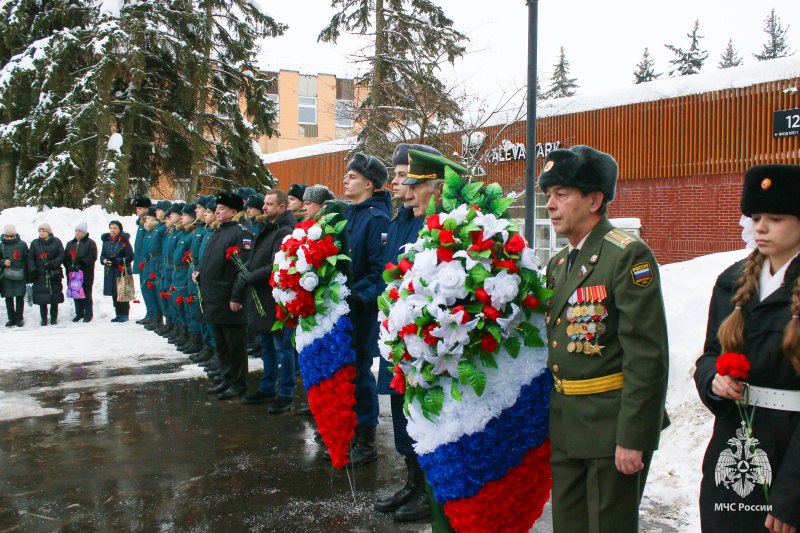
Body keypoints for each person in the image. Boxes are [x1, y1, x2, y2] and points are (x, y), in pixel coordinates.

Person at [538, 145, 669, 533]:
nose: (550, 205)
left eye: (562, 194)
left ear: (594, 200)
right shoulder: (558, 264)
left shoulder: (627, 255)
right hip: (566, 424)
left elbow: (647, 356)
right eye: (549, 195)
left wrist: (633, 438)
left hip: (610, 429)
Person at [694, 164, 800, 533]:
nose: (761, 228)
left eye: (776, 218)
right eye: (756, 218)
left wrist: (791, 496)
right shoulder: (732, 281)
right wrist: (714, 380)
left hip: (789, 456)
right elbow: (709, 355)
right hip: (733, 445)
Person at [374, 144, 442, 521]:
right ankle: (413, 481)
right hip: (397, 330)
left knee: (421, 412)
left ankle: (429, 491)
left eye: (407, 177)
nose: (400, 184)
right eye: (399, 176)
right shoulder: (400, 218)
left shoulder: (432, 219)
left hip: (420, 335)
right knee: (401, 409)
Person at [341, 152, 392, 467]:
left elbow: (379, 272)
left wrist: (355, 297)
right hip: (341, 309)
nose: (346, 180)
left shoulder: (376, 219)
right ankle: (349, 432)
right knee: (346, 373)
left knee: (360, 373)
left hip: (360, 310)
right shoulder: (350, 214)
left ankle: (367, 441)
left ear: (369, 183)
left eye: (353, 176)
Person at [235, 189, 298, 411]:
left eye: (269, 204)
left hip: (277, 297)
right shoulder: (267, 227)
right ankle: (268, 387)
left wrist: (251, 276)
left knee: (282, 347)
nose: (264, 207)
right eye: (264, 203)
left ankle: (286, 393)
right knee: (266, 345)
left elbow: (276, 264)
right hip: (262, 295)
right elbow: (257, 258)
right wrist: (246, 271)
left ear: (282, 207)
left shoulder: (284, 231)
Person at [195, 192, 253, 400]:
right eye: (216, 208)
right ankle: (227, 378)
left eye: (222, 209)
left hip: (229, 299)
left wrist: (236, 297)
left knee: (235, 345)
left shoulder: (241, 233)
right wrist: (199, 272)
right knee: (222, 344)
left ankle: (238, 384)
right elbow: (212, 260)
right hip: (215, 298)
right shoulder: (219, 231)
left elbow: (243, 268)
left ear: (234, 212)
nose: (217, 212)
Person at [28, 223, 66, 326]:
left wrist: (53, 263)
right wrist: (33, 270)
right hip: (40, 274)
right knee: (42, 298)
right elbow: (30, 257)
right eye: (40, 231)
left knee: (54, 296)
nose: (41, 233)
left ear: (48, 232)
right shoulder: (35, 243)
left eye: (43, 231)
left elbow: (62, 255)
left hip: (53, 273)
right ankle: (44, 319)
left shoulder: (56, 241)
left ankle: (54, 318)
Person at [100, 220, 134, 322]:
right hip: (110, 270)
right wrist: (104, 260)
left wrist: (118, 261)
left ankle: (124, 314)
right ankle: (118, 313)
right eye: (111, 228)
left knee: (122, 291)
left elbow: (130, 256)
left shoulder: (123, 241)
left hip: (121, 270)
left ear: (119, 229)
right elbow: (102, 255)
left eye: (115, 228)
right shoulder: (106, 241)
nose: (112, 230)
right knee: (114, 292)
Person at [64, 221, 98, 322]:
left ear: (84, 233)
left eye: (79, 231)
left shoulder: (90, 243)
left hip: (85, 273)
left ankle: (88, 314)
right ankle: (79, 313)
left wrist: (81, 264)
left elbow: (92, 257)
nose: (77, 233)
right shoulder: (70, 244)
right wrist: (69, 266)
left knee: (86, 293)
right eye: (76, 231)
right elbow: (65, 257)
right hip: (73, 273)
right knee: (76, 293)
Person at [1, 224, 28, 327]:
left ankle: (19, 318)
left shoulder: (22, 244)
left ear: (15, 234)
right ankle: (11, 318)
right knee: (8, 297)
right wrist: (3, 262)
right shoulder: (1, 245)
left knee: (19, 297)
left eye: (11, 236)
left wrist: (28, 275)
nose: (9, 238)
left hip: (20, 274)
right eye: (7, 236)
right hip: (6, 275)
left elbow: (27, 259)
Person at [132, 197, 152, 325]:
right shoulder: (141, 223)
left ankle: (153, 314)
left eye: (140, 208)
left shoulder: (148, 223)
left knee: (148, 289)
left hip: (147, 262)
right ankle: (149, 313)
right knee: (144, 289)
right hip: (140, 261)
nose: (137, 210)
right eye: (136, 208)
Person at [141, 207, 162, 331]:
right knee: (149, 290)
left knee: (155, 291)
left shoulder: (157, 230)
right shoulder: (149, 231)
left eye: (148, 218)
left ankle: (156, 317)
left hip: (154, 263)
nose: (146, 220)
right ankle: (153, 316)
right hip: (148, 263)